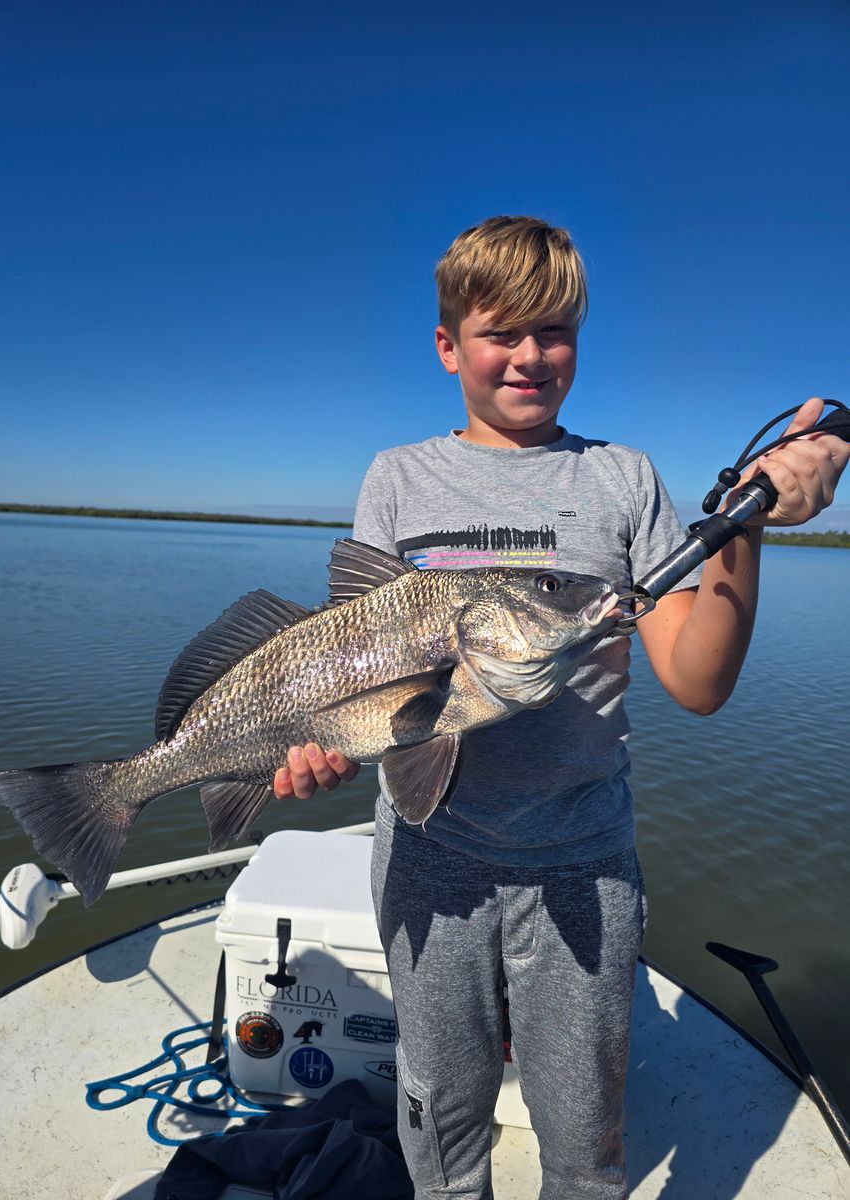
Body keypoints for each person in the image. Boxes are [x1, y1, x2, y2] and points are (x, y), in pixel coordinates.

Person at [271, 216, 848, 1199]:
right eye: (502, 332)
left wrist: (747, 523)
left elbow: (699, 683)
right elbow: (357, 661)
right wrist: (311, 741)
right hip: (426, 861)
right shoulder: (396, 478)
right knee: (440, 1111)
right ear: (449, 344)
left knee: (583, 1135)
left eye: (556, 332)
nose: (530, 356)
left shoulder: (622, 480)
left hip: (581, 862)